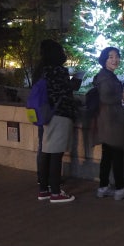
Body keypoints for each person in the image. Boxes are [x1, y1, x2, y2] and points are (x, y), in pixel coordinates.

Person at [35, 39, 81, 203]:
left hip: (46, 114)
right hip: (60, 114)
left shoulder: (42, 70)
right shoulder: (58, 71)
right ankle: (56, 193)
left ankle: (44, 190)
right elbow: (65, 91)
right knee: (56, 154)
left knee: (46, 151)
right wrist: (77, 79)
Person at [92, 47, 124, 201]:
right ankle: (120, 189)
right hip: (112, 121)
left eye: (117, 56)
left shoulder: (106, 75)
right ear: (104, 59)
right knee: (117, 155)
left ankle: (103, 187)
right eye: (110, 57)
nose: (115, 60)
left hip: (106, 120)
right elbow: (106, 97)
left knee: (107, 155)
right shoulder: (106, 78)